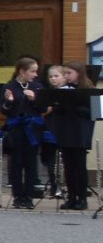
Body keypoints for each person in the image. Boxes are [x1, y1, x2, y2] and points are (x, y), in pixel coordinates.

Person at [49, 62, 94, 211]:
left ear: (78, 74)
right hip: (66, 130)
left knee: (79, 166)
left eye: (69, 73)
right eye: (65, 73)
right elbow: (56, 110)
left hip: (81, 132)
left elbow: (94, 113)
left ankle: (82, 198)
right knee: (68, 166)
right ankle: (71, 197)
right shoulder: (63, 90)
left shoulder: (88, 89)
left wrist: (73, 106)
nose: (66, 76)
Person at [1, 57, 44, 209]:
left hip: (32, 129)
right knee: (17, 163)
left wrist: (34, 100)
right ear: (22, 71)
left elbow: (42, 109)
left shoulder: (37, 87)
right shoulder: (10, 86)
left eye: (36, 71)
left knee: (31, 164)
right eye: (32, 71)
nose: (35, 74)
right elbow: (4, 110)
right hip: (17, 129)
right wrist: (9, 101)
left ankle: (29, 196)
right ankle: (18, 196)